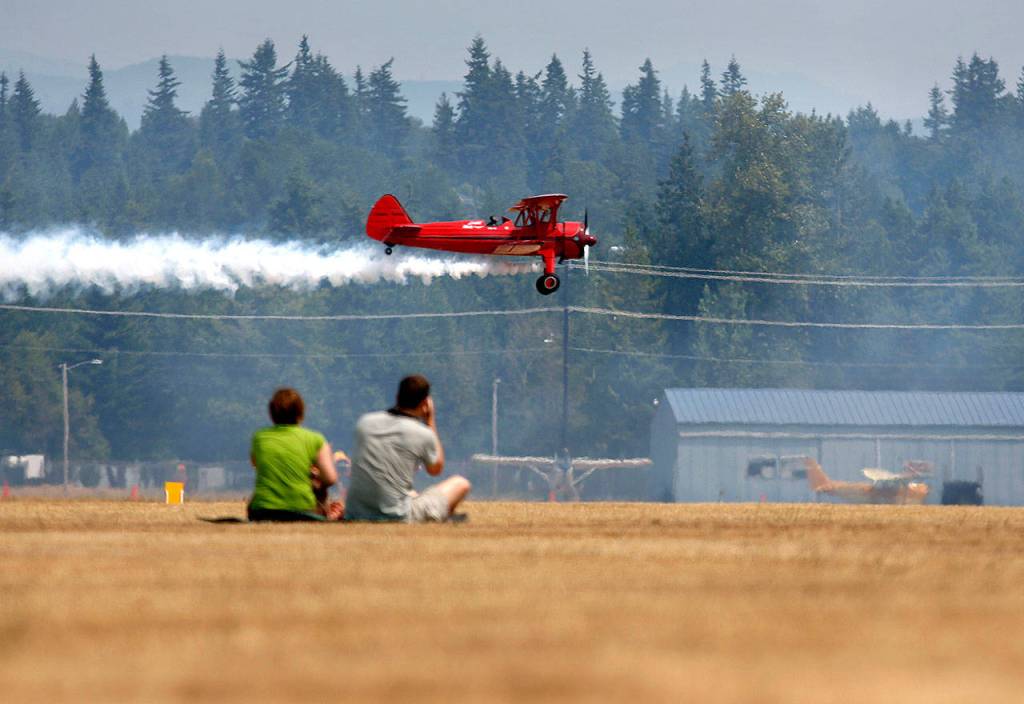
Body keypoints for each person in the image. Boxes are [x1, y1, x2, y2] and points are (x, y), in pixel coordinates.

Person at [345, 375, 470, 522]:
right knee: (461, 484)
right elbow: (435, 468)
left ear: (398, 396)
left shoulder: (365, 422)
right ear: (425, 403)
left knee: (411, 494)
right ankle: (443, 517)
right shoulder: (422, 433)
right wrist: (430, 421)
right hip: (397, 516)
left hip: (356, 513)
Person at [249, 387, 342, 521]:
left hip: (262, 511)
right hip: (304, 510)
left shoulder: (259, 437)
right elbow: (330, 479)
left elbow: (257, 465)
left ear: (271, 412)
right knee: (319, 487)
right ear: (301, 412)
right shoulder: (315, 439)